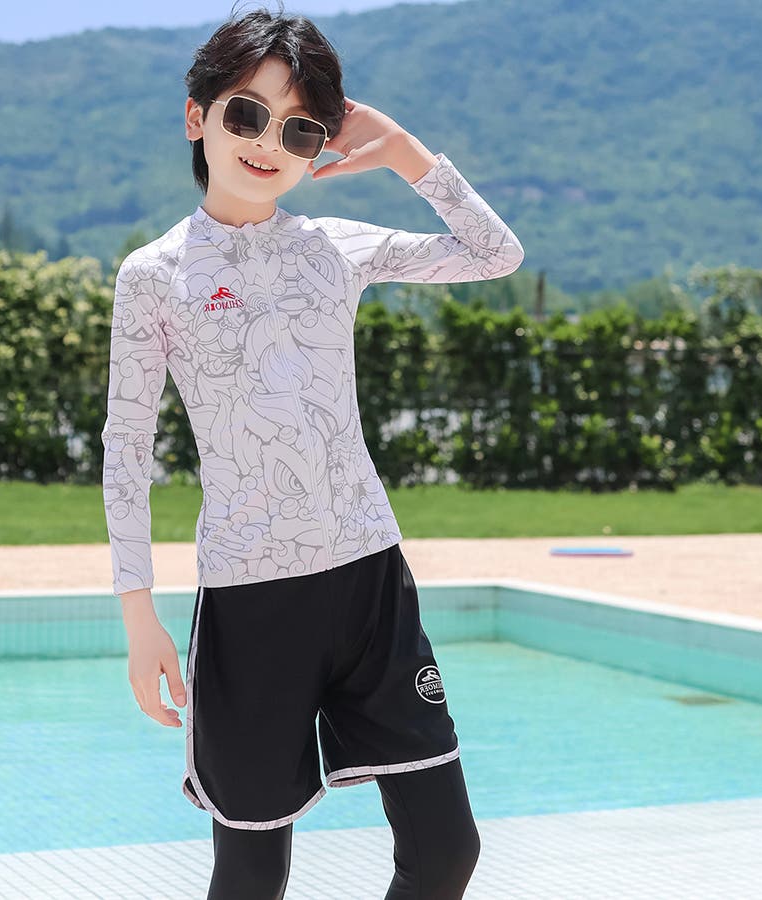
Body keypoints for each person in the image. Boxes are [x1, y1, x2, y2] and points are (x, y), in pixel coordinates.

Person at [100, 4, 523, 897]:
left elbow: (496, 254)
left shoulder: (337, 248)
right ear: (198, 117)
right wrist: (139, 615)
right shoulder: (154, 276)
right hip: (251, 599)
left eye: (299, 129)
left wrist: (403, 151)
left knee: (447, 851)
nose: (269, 144)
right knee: (253, 873)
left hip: (370, 580)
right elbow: (127, 449)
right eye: (247, 114)